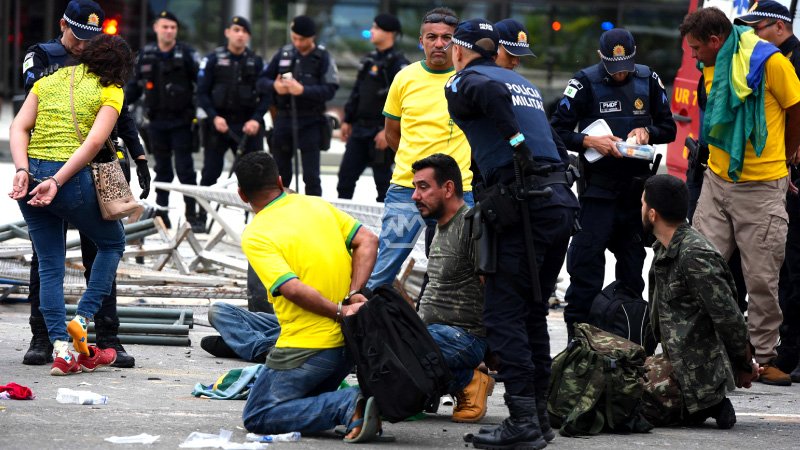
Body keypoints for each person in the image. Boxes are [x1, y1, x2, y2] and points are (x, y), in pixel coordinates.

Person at [445, 19, 579, 449]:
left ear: (460, 49)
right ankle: (537, 417)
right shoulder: (521, 83)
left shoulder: (467, 79)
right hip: (556, 201)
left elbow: (487, 97)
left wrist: (515, 141)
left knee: (504, 314)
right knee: (531, 312)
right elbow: (555, 142)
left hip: (524, 206)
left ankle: (522, 420)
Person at [20, 0, 145, 369]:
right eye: (79, 35)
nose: (84, 45)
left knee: (80, 256)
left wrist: (138, 156)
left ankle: (102, 337)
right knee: (76, 253)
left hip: (68, 172)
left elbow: (121, 120)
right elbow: (31, 108)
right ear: (63, 24)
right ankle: (44, 337)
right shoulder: (42, 58)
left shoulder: (101, 72)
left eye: (93, 38)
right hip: (65, 171)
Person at [680, 6, 800, 386]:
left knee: (762, 277)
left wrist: (788, 156)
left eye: (697, 48)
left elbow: (796, 107)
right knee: (698, 264)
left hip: (762, 186)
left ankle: (763, 358)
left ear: (716, 41)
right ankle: (699, 347)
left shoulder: (770, 62)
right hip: (717, 179)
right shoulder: (712, 63)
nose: (694, 55)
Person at [234, 152, 385, 442]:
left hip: (307, 347)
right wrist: (352, 296)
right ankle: (350, 407)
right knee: (298, 407)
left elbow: (291, 289)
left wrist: (340, 311)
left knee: (258, 414)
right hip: (348, 343)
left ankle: (348, 404)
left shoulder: (257, 233)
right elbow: (368, 239)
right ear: (280, 181)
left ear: (242, 195)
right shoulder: (317, 204)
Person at [550, 28, 676, 336]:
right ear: (600, 58)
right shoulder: (583, 82)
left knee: (633, 270)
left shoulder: (648, 79)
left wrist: (649, 133)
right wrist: (589, 141)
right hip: (597, 192)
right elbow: (556, 130)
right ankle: (578, 343)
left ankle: (627, 342)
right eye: (613, 68)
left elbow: (669, 127)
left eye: (625, 68)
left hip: (635, 195)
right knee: (585, 266)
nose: (620, 74)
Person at [640, 174, 760, 429]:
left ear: (652, 214)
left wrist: (744, 364)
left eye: (642, 204)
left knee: (619, 403)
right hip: (677, 362)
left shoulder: (694, 255)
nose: (640, 209)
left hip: (696, 373)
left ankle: (710, 402)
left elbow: (729, 317)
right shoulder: (665, 248)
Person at [368, 7, 474, 290]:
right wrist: (416, 167)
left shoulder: (470, 80)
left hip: (458, 191)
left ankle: (446, 331)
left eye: (447, 38)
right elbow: (392, 134)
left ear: (457, 42)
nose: (439, 44)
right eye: (432, 37)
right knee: (384, 269)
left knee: (457, 271)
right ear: (421, 40)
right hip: (407, 188)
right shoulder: (405, 78)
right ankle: (363, 326)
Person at [735, 0, 800, 382]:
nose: (752, 35)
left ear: (778, 26)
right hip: (777, 176)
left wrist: (791, 157)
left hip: (786, 175)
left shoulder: (786, 60)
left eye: (757, 28)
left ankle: (784, 355)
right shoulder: (765, 57)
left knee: (789, 268)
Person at [411, 154, 491, 423]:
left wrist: (498, 351)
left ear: (447, 188)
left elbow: (493, 291)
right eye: (414, 188)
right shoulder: (436, 229)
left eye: (423, 187)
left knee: (399, 354)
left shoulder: (472, 225)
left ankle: (469, 381)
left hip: (465, 336)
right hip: (432, 333)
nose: (414, 196)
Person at [126, 10, 201, 231]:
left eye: (173, 28)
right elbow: (133, 88)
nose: (169, 31)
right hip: (157, 123)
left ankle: (192, 213)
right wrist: (117, 107)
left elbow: (202, 86)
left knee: (185, 169)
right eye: (165, 27)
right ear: (156, 28)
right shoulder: (146, 55)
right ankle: (162, 214)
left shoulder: (187, 54)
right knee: (162, 169)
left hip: (182, 122)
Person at [197, 16, 268, 229]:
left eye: (244, 31)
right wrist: (213, 116)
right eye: (236, 30)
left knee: (257, 174)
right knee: (210, 172)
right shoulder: (213, 59)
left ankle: (260, 221)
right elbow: (201, 93)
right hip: (219, 125)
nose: (240, 35)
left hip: (248, 127)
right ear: (228, 32)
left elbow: (266, 96)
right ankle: (202, 217)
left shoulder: (256, 62)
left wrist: (256, 119)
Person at [257, 15, 339, 197]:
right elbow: (261, 80)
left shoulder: (322, 57)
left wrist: (302, 90)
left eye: (301, 39)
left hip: (311, 120)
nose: (297, 43)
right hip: (284, 118)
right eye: (294, 38)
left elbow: (330, 89)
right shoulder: (283, 54)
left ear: (312, 37)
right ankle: (280, 214)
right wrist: (274, 86)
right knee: (280, 175)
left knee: (311, 177)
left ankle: (312, 219)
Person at [337, 14, 409, 203]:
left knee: (384, 184)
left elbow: (404, 101)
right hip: (359, 130)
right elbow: (357, 91)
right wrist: (348, 119)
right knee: (345, 179)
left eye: (376, 28)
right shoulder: (369, 59)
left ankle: (385, 228)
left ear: (390, 33)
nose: (372, 31)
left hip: (381, 133)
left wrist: (388, 131)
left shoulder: (398, 64)